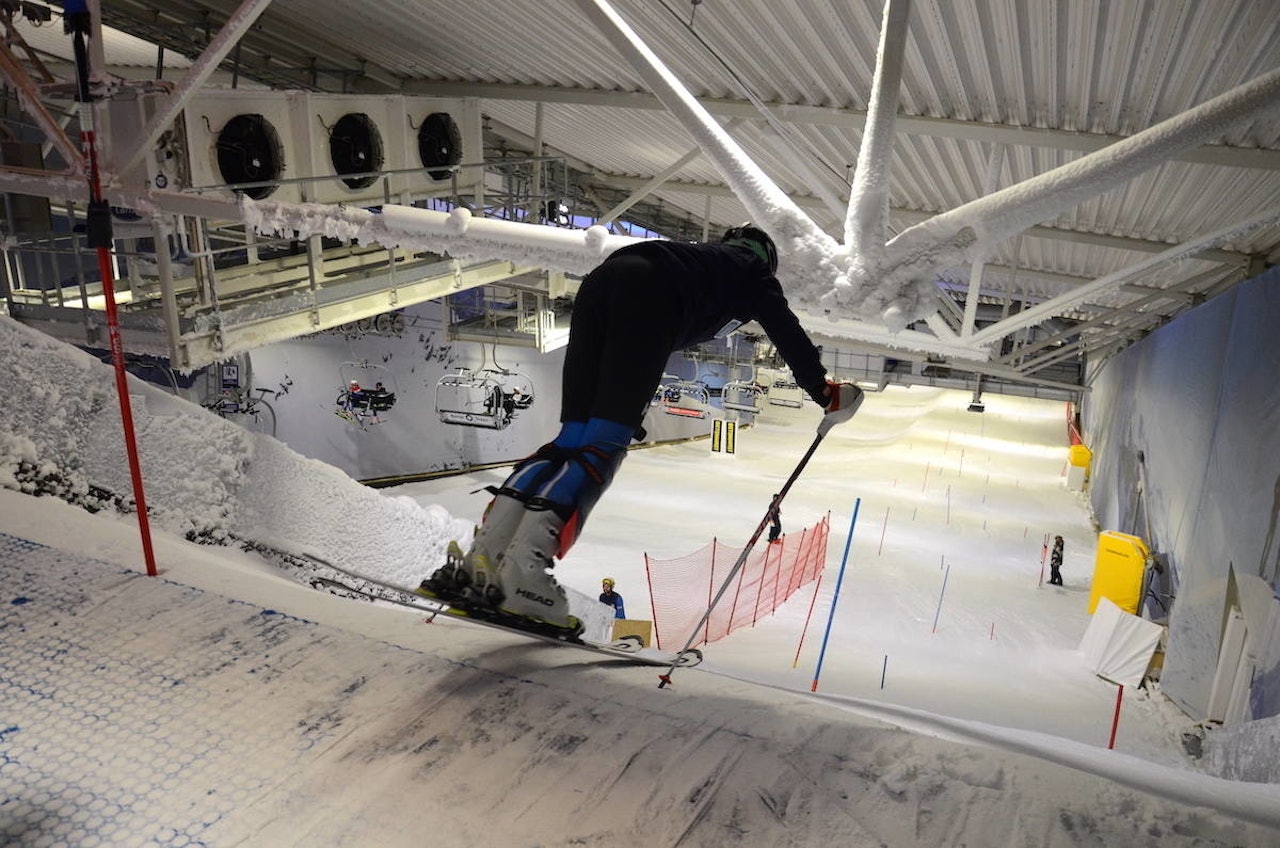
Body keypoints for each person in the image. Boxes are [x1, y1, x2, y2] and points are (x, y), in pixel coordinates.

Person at [419, 224, 862, 635]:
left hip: (601, 284)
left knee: (569, 441)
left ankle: (485, 556)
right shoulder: (750, 271)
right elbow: (785, 327)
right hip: (649, 299)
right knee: (602, 447)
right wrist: (822, 390)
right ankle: (525, 572)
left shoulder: (697, 259)